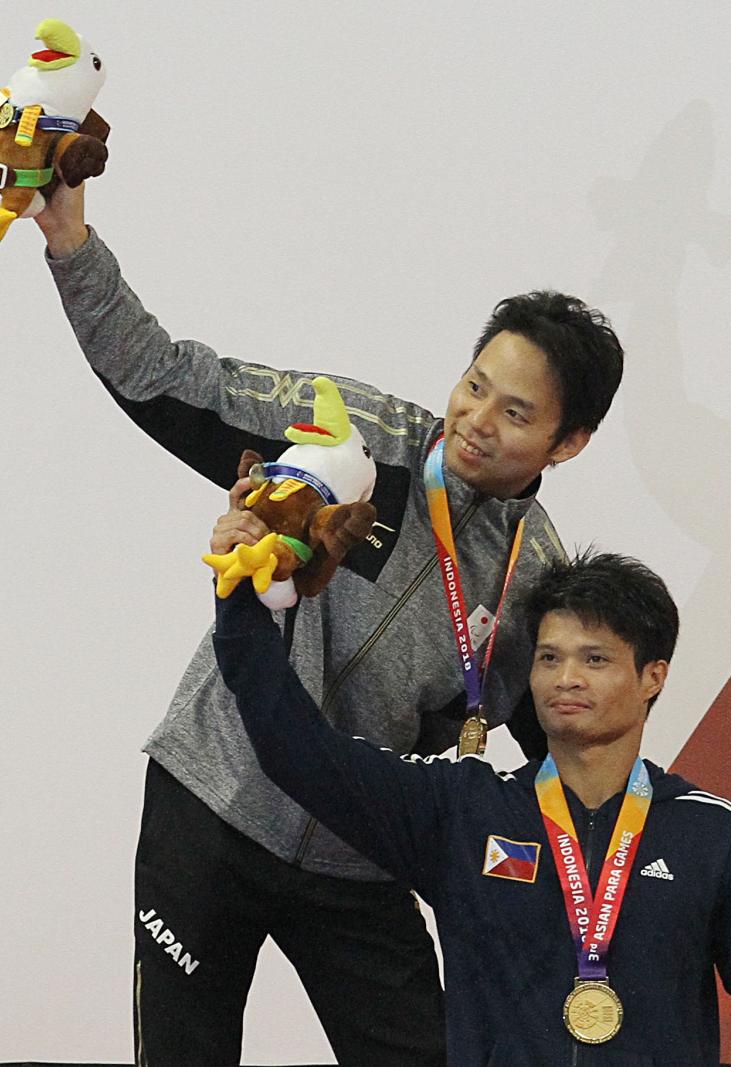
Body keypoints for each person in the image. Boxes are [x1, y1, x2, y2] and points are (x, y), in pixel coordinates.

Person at [36, 184, 624, 1066]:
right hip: (211, 810)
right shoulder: (352, 435)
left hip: (360, 861)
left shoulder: (537, 577)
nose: (476, 421)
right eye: (474, 386)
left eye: (516, 413)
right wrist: (72, 242)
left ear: (567, 441)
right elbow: (162, 374)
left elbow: (564, 756)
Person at [212, 550, 731, 1066]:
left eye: (594, 660)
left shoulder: (711, 834)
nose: (565, 678)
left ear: (652, 677)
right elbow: (299, 751)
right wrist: (242, 600)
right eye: (548, 658)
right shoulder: (466, 810)